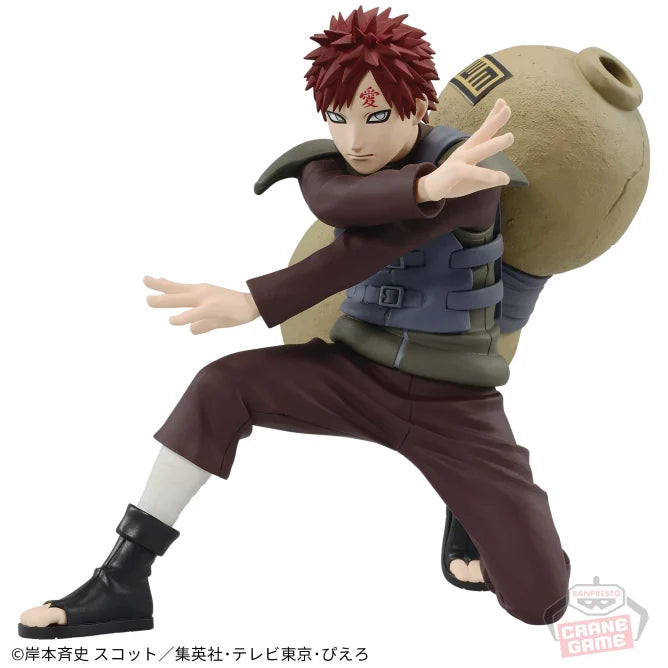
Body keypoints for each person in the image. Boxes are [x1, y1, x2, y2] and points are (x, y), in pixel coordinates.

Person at [18, 6, 570, 639]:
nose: (355, 140)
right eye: (337, 117)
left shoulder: (471, 172)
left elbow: (365, 249)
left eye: (376, 116)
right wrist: (422, 187)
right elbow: (334, 198)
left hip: (455, 402)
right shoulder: (337, 168)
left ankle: (467, 505)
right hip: (354, 374)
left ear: (419, 104)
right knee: (220, 386)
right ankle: (123, 578)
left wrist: (254, 301)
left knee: (541, 602)